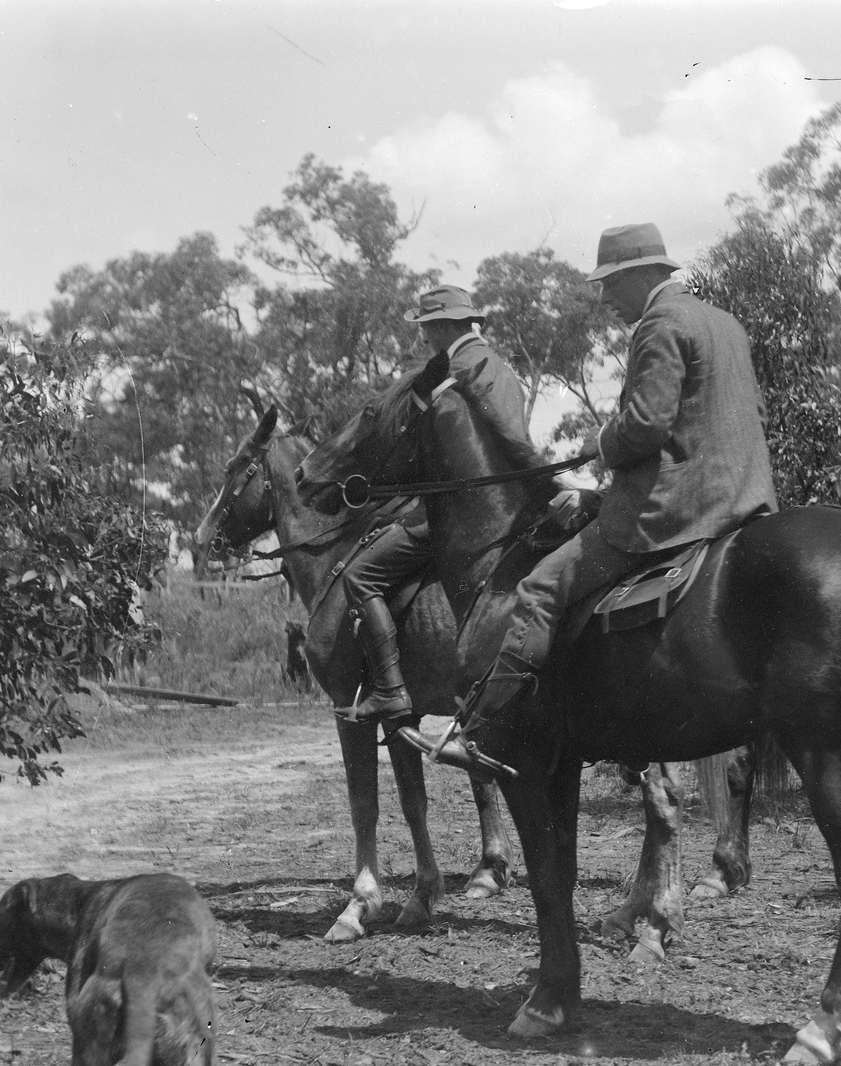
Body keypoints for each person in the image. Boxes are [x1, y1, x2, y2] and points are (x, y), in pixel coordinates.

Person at [403, 223, 778, 773]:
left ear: (642, 274)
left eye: (610, 283)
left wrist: (596, 445)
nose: (603, 299)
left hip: (678, 512)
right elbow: (732, 423)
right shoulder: (725, 323)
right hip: (745, 500)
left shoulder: (660, 323)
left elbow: (647, 425)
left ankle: (486, 731)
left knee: (540, 587)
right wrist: (598, 494)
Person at [333, 284, 530, 728]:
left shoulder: (451, 374)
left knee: (359, 576)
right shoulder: (502, 368)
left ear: (441, 326)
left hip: (459, 515)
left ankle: (390, 690)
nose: (423, 338)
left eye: (425, 327)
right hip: (509, 508)